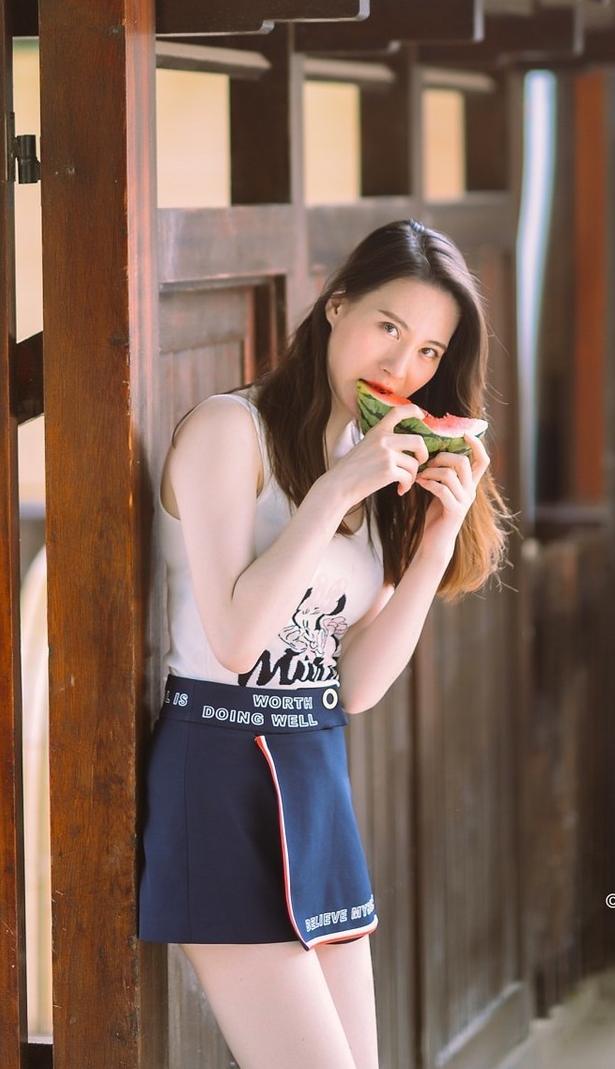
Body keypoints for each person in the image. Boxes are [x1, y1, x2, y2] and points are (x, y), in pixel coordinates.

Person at [138, 219, 512, 1069]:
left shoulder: (376, 466)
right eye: (388, 326)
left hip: (314, 772)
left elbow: (354, 686)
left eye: (428, 350)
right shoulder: (231, 432)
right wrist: (336, 488)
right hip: (218, 765)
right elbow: (234, 639)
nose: (402, 366)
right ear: (336, 306)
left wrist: (434, 546)